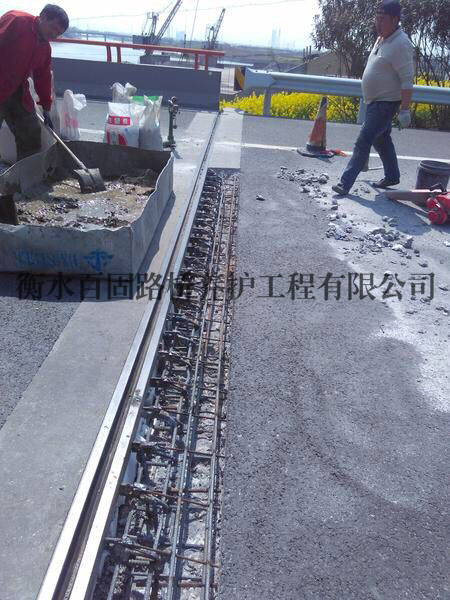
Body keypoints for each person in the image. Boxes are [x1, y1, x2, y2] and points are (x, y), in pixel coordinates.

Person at [332, 1, 414, 195]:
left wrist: (404, 110)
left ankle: (345, 183)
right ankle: (392, 176)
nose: (378, 23)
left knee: (364, 140)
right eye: (376, 18)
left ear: (394, 20)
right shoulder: (382, 38)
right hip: (374, 101)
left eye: (382, 19)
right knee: (381, 139)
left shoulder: (401, 43)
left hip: (385, 103)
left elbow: (407, 80)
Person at [0, 5, 69, 162]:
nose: (53, 35)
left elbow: (43, 77)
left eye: (58, 34)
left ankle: (26, 173)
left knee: (30, 133)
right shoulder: (16, 20)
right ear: (42, 17)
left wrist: (46, 107)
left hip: (17, 90)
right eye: (53, 28)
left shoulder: (45, 49)